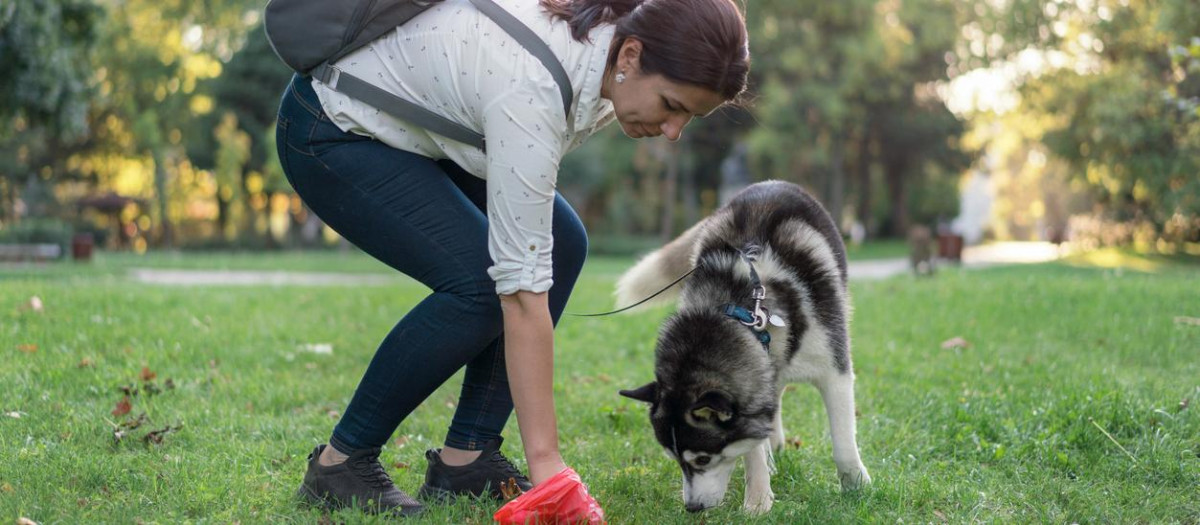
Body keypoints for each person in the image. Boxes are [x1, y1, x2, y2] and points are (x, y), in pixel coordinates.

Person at [275, 0, 749, 515]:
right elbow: (521, 295)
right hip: (332, 127)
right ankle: (340, 466)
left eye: (689, 117)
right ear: (631, 56)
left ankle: (467, 459)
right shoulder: (533, 89)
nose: (674, 130)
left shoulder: (610, 48)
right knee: (480, 286)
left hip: (420, 133)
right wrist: (548, 467)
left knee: (562, 243)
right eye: (671, 105)